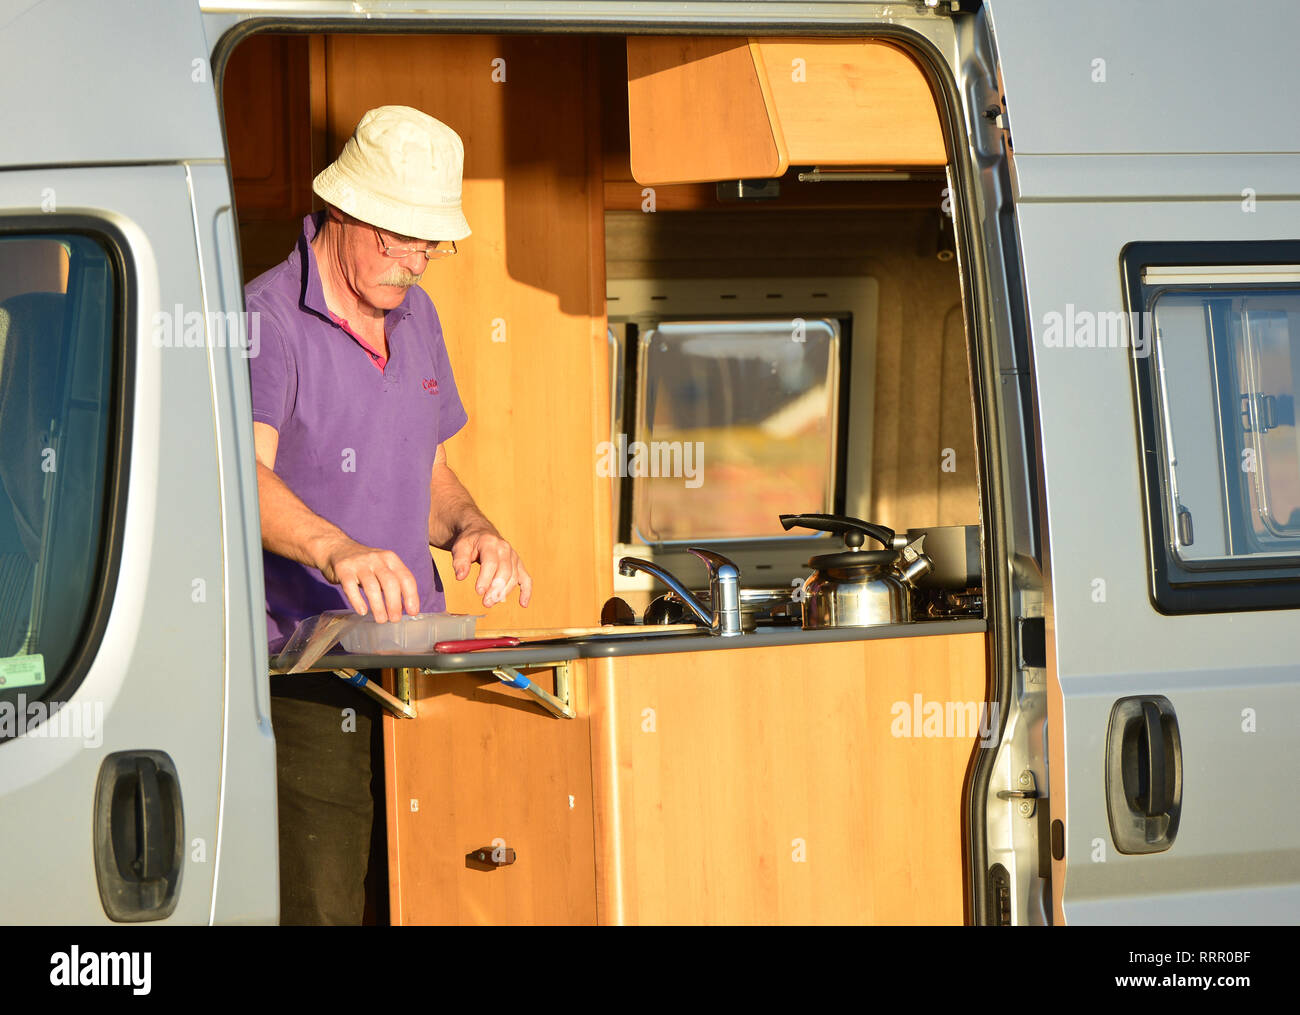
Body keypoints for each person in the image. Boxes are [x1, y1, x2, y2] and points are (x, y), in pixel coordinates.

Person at [244, 105, 531, 925]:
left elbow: (431, 470)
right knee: (327, 911)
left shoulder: (419, 316)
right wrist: (339, 550)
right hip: (302, 675)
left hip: (414, 667)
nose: (414, 264)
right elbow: (236, 475)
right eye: (397, 239)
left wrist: (473, 525)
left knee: (437, 898)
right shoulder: (265, 320)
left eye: (428, 245)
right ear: (341, 212)